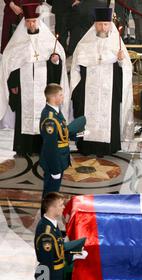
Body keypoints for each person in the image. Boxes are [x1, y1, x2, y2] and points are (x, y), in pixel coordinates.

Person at [0, 2, 69, 156]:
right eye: (28, 22)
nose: (31, 24)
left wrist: (55, 60)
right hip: (24, 89)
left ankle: (43, 146)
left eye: (33, 21)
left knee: (44, 116)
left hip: (43, 89)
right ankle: (23, 147)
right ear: (25, 23)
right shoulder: (17, 44)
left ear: (38, 22)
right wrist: (13, 84)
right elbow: (11, 65)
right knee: (24, 117)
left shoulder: (49, 42)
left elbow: (57, 63)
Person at [71, 7, 134, 157]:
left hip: (109, 90)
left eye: (106, 24)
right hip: (88, 90)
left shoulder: (116, 43)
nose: (102, 27)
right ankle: (85, 146)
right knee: (86, 116)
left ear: (110, 25)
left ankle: (107, 147)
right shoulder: (84, 44)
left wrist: (120, 61)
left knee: (108, 117)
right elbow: (76, 65)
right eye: (100, 24)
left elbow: (126, 68)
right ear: (95, 25)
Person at [35, 192, 88, 280]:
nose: (63, 207)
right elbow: (47, 261)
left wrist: (74, 255)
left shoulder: (52, 224)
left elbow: (57, 249)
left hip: (55, 275)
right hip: (50, 278)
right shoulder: (46, 232)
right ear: (52, 208)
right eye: (61, 205)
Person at [39, 84, 71, 200]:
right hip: (54, 162)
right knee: (50, 194)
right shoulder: (50, 119)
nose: (63, 97)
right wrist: (55, 169)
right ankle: (46, 216)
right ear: (53, 97)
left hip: (60, 158)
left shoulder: (56, 111)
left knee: (52, 192)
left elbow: (61, 132)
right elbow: (50, 147)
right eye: (61, 95)